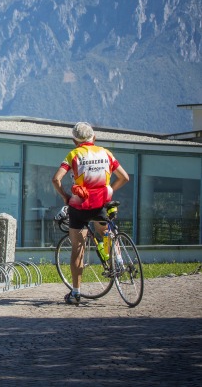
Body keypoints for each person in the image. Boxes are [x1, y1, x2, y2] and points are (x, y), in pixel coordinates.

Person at [51, 122, 129, 305]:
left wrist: (65, 197)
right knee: (106, 231)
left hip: (79, 206)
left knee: (78, 248)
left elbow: (56, 179)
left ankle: (76, 292)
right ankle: (117, 258)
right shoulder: (106, 153)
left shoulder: (73, 155)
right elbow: (124, 177)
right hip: (101, 203)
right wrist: (109, 190)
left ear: (74, 141)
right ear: (94, 138)